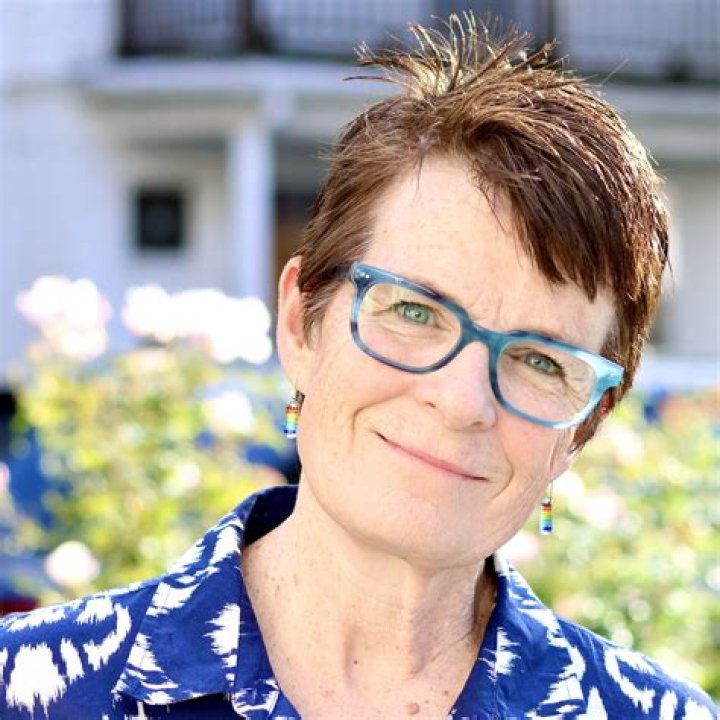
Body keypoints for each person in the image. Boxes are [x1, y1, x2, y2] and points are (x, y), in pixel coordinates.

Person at [0, 14, 716, 720]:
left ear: (582, 428)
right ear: (299, 323)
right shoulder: (30, 692)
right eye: (414, 312)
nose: (461, 400)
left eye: (539, 359)